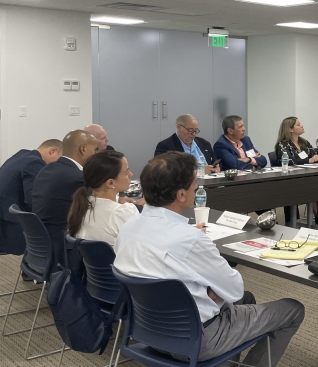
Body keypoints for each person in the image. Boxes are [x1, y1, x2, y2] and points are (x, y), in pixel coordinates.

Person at [114, 152, 304, 366]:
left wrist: (206, 289)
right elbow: (234, 289)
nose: (197, 190)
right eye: (195, 185)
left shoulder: (128, 227)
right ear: (181, 194)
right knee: (293, 309)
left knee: (245, 300)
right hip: (195, 339)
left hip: (147, 331)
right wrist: (209, 290)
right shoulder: (190, 238)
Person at [32, 130, 99, 267]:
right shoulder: (77, 178)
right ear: (83, 149)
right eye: (96, 149)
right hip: (63, 246)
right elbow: (97, 208)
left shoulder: (48, 168)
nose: (97, 154)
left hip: (41, 243)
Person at [0, 139, 62, 255]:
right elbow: (34, 199)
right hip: (9, 222)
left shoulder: (22, 154)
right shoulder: (35, 163)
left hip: (5, 212)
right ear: (53, 150)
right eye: (58, 160)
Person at [66, 150, 139, 247]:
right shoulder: (122, 212)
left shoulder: (82, 206)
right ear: (110, 183)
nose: (131, 174)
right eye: (126, 172)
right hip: (118, 261)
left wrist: (118, 200)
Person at [275, 116, 318, 227]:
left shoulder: (304, 142)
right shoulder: (282, 144)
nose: (302, 126)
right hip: (290, 180)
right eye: (298, 125)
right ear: (290, 129)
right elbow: (289, 161)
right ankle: (293, 222)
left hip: (307, 176)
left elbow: (313, 155)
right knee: (308, 188)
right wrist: (308, 160)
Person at [155, 114, 219, 175]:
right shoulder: (166, 146)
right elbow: (163, 171)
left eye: (195, 130)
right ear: (179, 128)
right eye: (190, 130)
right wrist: (200, 172)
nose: (194, 134)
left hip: (209, 183)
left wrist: (215, 168)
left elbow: (214, 162)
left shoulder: (204, 143)